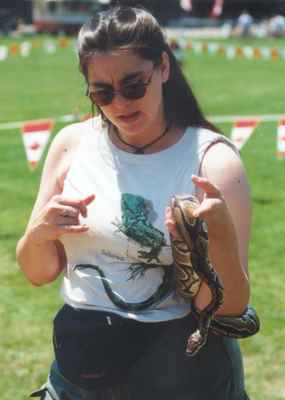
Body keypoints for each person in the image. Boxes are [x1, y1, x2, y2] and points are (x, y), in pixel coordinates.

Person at [16, 5, 252, 400]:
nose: (120, 103)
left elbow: (227, 309)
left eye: (133, 85)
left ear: (162, 67)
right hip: (80, 368)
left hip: (181, 375)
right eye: (102, 92)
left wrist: (221, 240)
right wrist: (39, 234)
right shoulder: (72, 145)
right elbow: (38, 272)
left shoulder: (213, 161)